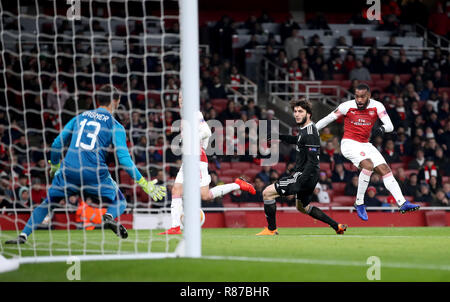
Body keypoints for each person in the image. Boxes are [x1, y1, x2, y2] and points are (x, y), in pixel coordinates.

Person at [6, 84, 167, 244]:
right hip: (95, 173)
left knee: (48, 204)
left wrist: (55, 166)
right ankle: (109, 216)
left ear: (98, 100)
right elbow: (123, 159)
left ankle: (23, 236)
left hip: (69, 170)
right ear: (115, 101)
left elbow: (56, 144)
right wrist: (144, 183)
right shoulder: (115, 125)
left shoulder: (80, 117)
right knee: (121, 202)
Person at [315, 83, 420, 221]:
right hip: (349, 144)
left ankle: (402, 203)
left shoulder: (377, 106)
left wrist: (382, 129)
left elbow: (390, 125)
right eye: (357, 96)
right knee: (368, 165)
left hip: (365, 145)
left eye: (362, 97)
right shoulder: (346, 106)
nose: (359, 100)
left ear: (369, 96)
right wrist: (312, 130)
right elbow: (328, 118)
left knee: (385, 169)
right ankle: (359, 202)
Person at [159, 92, 256, 235]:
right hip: (190, 157)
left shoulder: (194, 113)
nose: (181, 100)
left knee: (203, 195)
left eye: (183, 97)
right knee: (178, 190)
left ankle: (238, 184)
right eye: (179, 97)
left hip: (197, 157)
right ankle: (175, 227)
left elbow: (206, 132)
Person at [257, 98, 347, 236]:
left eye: (300, 111)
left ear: (309, 114)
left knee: (267, 193)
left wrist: (298, 182)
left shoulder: (310, 133)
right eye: (295, 111)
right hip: (310, 176)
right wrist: (280, 136)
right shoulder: (306, 130)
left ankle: (271, 229)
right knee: (303, 208)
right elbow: (298, 140)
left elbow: (311, 162)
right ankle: (337, 226)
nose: (297, 114)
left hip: (304, 174)